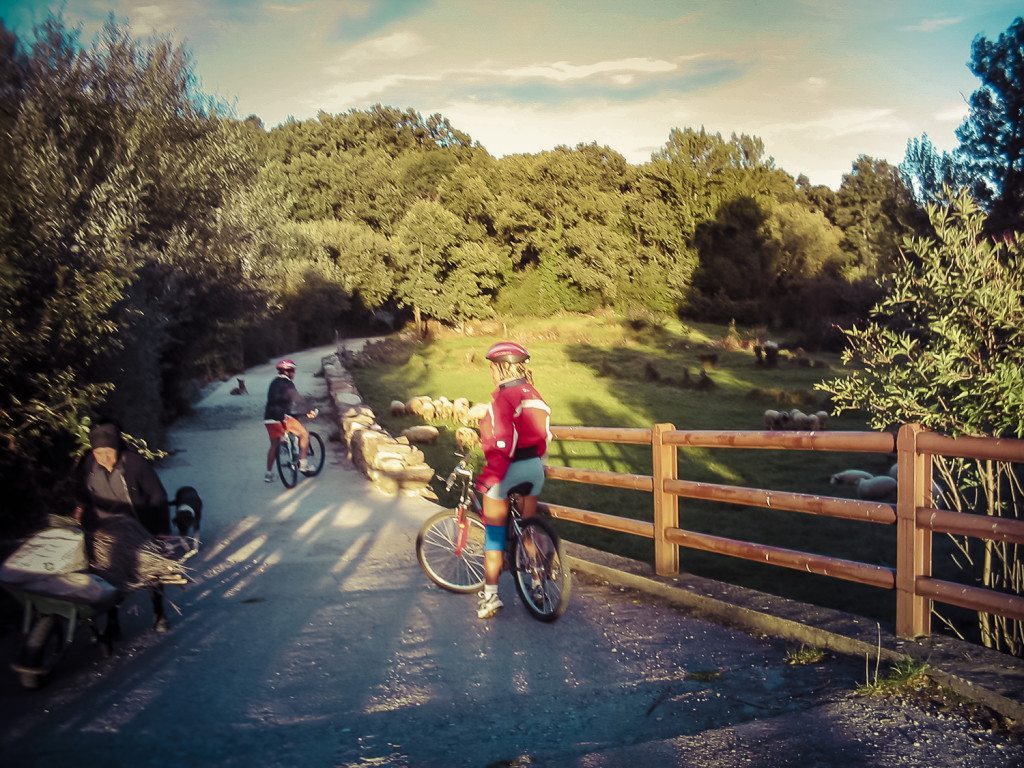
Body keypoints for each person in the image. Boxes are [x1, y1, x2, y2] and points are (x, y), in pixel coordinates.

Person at [474, 341, 552, 619]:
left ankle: (491, 597)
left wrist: (488, 478)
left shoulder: (502, 398)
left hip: (509, 468)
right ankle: (538, 584)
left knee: (494, 537)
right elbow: (545, 436)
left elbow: (503, 442)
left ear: (499, 367)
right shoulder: (535, 394)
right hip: (534, 467)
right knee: (527, 530)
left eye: (491, 368)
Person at [72, 418, 171, 634]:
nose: (104, 458)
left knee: (151, 570)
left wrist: (162, 531)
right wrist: (80, 508)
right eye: (99, 453)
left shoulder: (135, 464)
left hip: (137, 527)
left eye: (109, 452)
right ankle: (112, 621)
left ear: (117, 448)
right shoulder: (88, 463)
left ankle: (159, 612)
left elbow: (158, 496)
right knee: (106, 574)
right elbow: (81, 491)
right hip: (104, 531)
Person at [263, 358, 317, 482]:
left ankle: (268, 474)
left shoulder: (274, 382)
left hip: (269, 418)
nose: (294, 373)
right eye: (293, 370)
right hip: (282, 418)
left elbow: (278, 400)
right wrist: (309, 410)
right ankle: (303, 464)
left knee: (274, 445)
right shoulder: (288, 384)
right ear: (289, 371)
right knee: (304, 434)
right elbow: (297, 399)